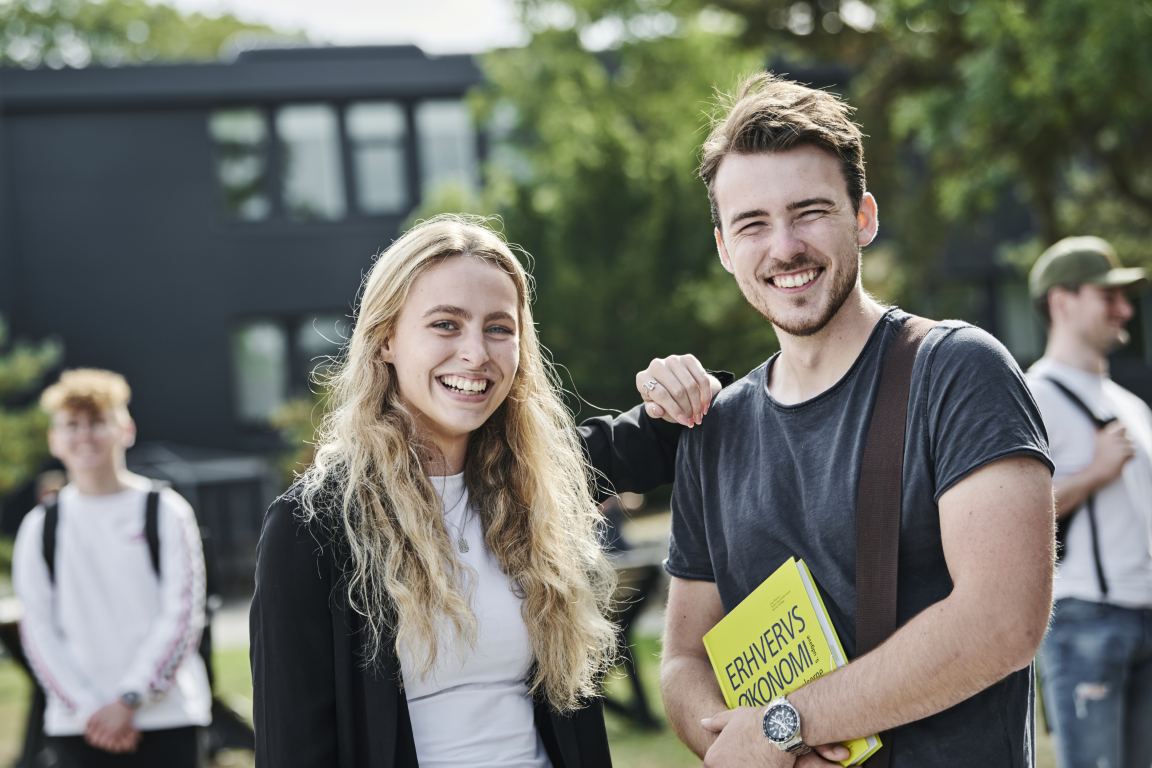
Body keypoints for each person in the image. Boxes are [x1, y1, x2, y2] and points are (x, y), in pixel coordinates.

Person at [643, 72, 1055, 767]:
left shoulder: (955, 371)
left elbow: (1003, 620)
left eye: (809, 211)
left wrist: (785, 724)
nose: (784, 247)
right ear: (723, 248)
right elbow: (684, 656)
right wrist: (735, 741)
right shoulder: (713, 430)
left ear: (862, 216)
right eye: (752, 224)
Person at [249, 214, 718, 768]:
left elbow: (732, 410)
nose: (476, 353)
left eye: (499, 328)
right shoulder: (313, 528)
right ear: (386, 341)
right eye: (446, 324)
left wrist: (688, 384)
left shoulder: (541, 476)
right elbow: (293, 751)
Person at [12, 369, 211, 767]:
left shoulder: (166, 510)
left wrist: (130, 699)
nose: (84, 435)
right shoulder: (40, 526)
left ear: (126, 429)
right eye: (72, 425)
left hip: (168, 717)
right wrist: (89, 710)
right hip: (79, 725)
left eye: (98, 422)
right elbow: (37, 629)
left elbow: (183, 616)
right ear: (54, 439)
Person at [1026, 235, 1152, 768]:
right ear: (1062, 301)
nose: (1124, 309)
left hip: (1143, 613)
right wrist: (1096, 472)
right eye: (1108, 296)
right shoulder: (1033, 396)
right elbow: (1010, 522)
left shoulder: (1130, 404)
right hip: (1083, 623)